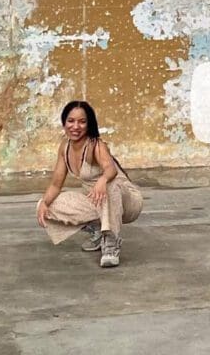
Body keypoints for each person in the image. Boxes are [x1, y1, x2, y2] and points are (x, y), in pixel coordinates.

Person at [36, 101, 143, 267]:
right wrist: (44, 204)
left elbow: (111, 170)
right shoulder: (65, 147)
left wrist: (102, 180)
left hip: (125, 200)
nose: (75, 126)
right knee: (45, 205)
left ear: (89, 124)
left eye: (82, 122)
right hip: (97, 201)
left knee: (109, 185)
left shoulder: (96, 145)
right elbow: (56, 184)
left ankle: (111, 242)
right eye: (71, 121)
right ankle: (99, 231)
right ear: (64, 122)